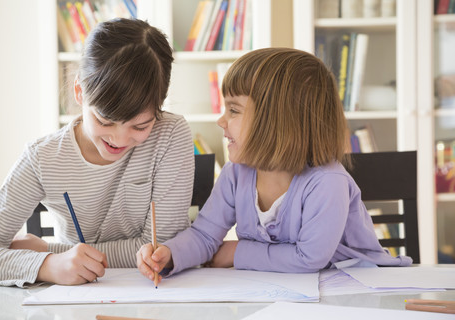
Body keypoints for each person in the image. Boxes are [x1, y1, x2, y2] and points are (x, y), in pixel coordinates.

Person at [136, 47, 412, 282]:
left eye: (233, 110)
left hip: (358, 286)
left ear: (278, 122)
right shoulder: (236, 174)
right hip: (284, 288)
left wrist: (237, 252)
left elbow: (309, 259)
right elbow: (205, 235)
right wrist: (169, 255)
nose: (221, 121)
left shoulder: (327, 182)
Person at [0, 18, 194, 287]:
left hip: (156, 295)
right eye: (104, 120)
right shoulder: (42, 158)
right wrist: (47, 266)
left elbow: (159, 250)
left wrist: (48, 252)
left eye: (140, 126)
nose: (119, 139)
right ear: (79, 91)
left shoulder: (171, 134)